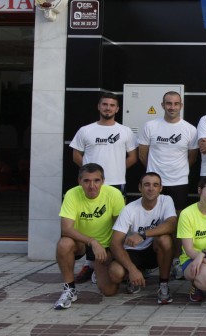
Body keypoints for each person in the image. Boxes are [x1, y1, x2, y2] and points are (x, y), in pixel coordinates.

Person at [69, 93, 137, 283]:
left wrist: (114, 172)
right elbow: (76, 155)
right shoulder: (85, 130)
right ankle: (90, 265)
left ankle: (114, 260)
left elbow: (132, 157)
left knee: (115, 225)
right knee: (91, 222)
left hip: (116, 184)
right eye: (105, 104)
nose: (108, 108)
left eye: (112, 105)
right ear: (99, 107)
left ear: (117, 109)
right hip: (91, 186)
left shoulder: (125, 131)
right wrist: (92, 178)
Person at [53, 163, 125, 310]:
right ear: (79, 181)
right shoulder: (72, 194)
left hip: (104, 246)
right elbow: (66, 229)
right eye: (86, 181)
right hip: (82, 242)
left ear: (103, 181)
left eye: (96, 180)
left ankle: (96, 268)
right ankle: (69, 289)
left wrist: (112, 253)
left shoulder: (114, 194)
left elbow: (120, 228)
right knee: (64, 244)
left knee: (109, 291)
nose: (92, 185)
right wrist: (92, 241)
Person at [108, 172, 177, 304]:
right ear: (140, 188)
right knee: (115, 273)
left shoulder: (166, 200)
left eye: (155, 185)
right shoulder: (129, 209)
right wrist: (131, 269)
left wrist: (143, 234)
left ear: (160, 188)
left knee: (165, 239)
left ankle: (163, 285)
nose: (151, 188)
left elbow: (171, 225)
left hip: (153, 250)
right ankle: (135, 274)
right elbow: (115, 243)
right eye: (147, 185)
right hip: (133, 251)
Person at [138, 91, 198, 212]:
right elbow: (142, 155)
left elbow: (192, 158)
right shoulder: (150, 126)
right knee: (152, 215)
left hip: (179, 181)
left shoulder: (190, 129)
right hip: (153, 182)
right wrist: (153, 170)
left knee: (178, 216)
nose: (172, 107)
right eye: (169, 103)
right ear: (162, 105)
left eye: (176, 104)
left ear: (181, 106)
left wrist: (179, 169)